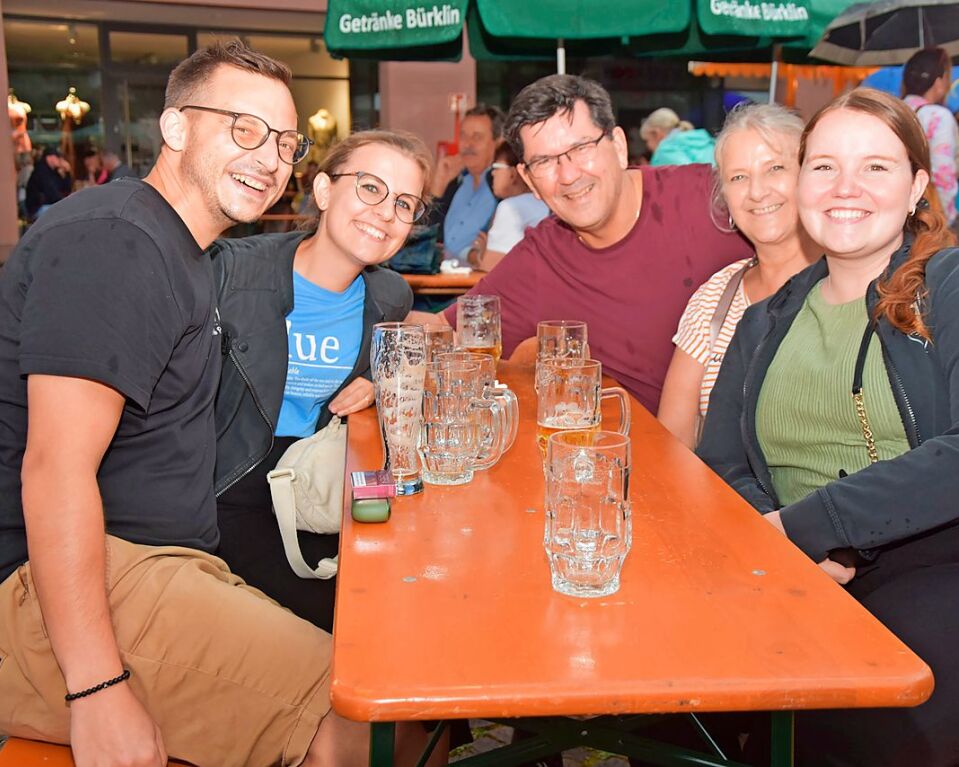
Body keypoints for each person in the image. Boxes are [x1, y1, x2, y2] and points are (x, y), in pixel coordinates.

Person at [0, 40, 416, 767]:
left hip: (158, 568)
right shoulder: (119, 238)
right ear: (175, 127)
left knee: (396, 676)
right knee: (375, 713)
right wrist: (97, 688)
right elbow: (54, 470)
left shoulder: (183, 253)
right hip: (26, 592)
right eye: (242, 127)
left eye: (284, 143)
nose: (267, 157)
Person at [698, 87, 959, 766]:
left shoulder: (947, 284)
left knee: (872, 727)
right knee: (666, 703)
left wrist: (808, 527)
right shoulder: (765, 318)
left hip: (928, 563)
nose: (845, 187)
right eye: (822, 166)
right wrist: (782, 540)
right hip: (783, 565)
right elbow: (720, 462)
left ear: (916, 188)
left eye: (875, 166)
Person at [411, 75, 752, 414]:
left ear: (618, 146)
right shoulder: (542, 258)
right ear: (529, 179)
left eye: (581, 149)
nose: (569, 174)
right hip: (646, 454)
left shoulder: (711, 199)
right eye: (545, 161)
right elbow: (444, 332)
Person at [210, 130, 427, 633]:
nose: (385, 212)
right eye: (370, 188)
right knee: (358, 623)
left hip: (321, 479)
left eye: (404, 203)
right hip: (232, 490)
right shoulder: (232, 273)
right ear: (324, 191)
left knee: (414, 584)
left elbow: (393, 360)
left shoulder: (390, 296)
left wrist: (375, 379)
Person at [658, 103, 817, 447]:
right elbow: (673, 445)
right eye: (738, 177)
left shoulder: (848, 286)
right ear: (725, 198)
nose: (757, 192)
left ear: (810, 176)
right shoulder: (715, 299)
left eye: (775, 168)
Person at [427, 103, 504, 260]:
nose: (467, 144)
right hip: (441, 278)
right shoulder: (455, 182)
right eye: (463, 136)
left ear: (498, 142)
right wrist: (438, 185)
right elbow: (424, 237)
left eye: (477, 137)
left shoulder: (504, 188)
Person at [464, 142, 549, 272]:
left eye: (496, 167)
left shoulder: (510, 207)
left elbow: (489, 272)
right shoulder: (546, 203)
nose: (492, 174)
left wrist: (483, 255)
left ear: (514, 173)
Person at [902, 47, 958, 226]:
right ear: (939, 81)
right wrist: (946, 220)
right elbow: (943, 174)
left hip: (899, 209)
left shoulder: (892, 110)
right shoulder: (938, 116)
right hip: (930, 215)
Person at [640, 107, 716, 167]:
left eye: (647, 140)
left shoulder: (665, 151)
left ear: (656, 133)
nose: (647, 146)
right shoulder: (707, 142)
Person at [24, 147, 72, 220]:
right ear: (49, 158)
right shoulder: (41, 171)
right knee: (66, 212)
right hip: (37, 208)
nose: (60, 160)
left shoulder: (53, 171)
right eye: (57, 157)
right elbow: (52, 194)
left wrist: (67, 172)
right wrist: (65, 203)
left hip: (48, 205)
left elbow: (66, 188)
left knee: (68, 210)